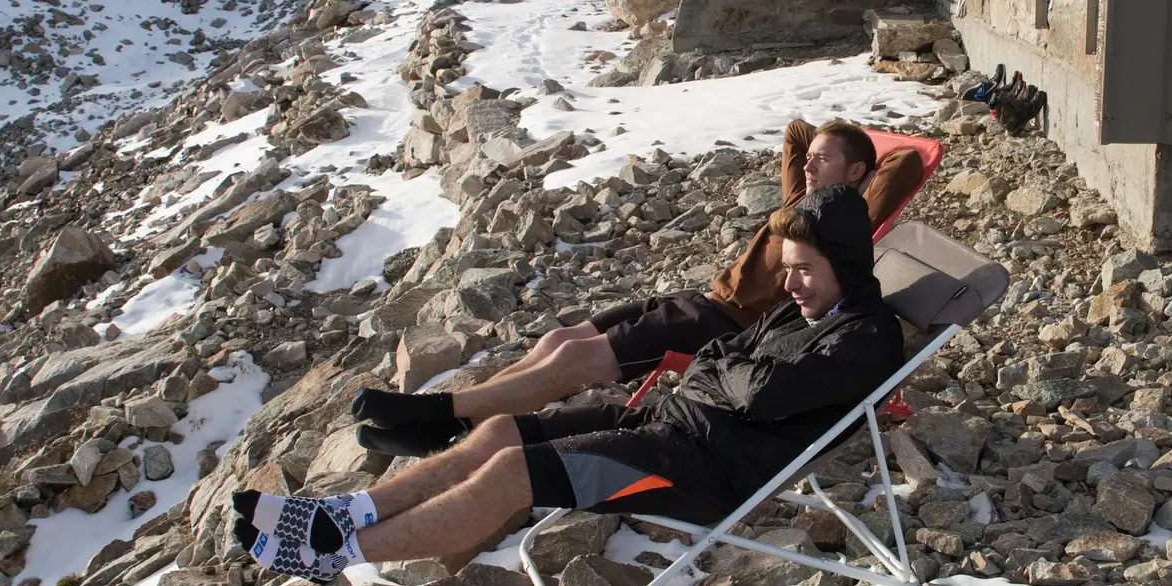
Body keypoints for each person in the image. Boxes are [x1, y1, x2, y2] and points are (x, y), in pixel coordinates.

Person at [230, 184, 903, 582]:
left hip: (704, 473)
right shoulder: (803, 305)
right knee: (497, 432)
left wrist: (728, 372)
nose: (788, 283)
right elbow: (727, 357)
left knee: (511, 476)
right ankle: (346, 511)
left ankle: (334, 553)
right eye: (786, 267)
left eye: (803, 269)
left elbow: (761, 392)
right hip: (671, 425)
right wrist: (730, 371)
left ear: (844, 262)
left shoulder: (866, 337)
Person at [350, 118, 925, 457]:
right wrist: (824, 150)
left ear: (855, 175)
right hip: (700, 299)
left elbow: (903, 162)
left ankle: (438, 415)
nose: (807, 167)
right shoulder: (802, 202)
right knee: (557, 340)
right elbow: (796, 134)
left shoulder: (845, 222)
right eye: (812, 160)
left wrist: (859, 165)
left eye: (824, 161)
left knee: (573, 360)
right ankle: (452, 423)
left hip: (724, 324)